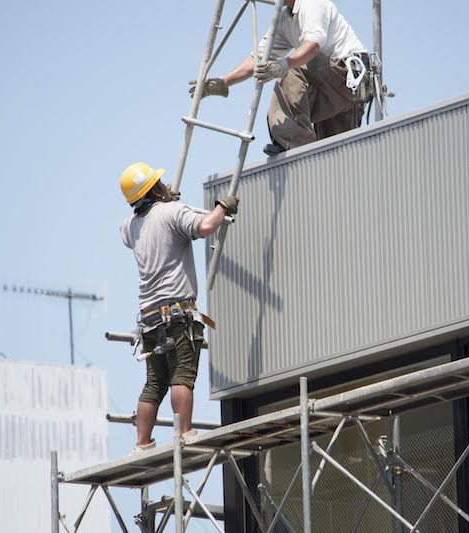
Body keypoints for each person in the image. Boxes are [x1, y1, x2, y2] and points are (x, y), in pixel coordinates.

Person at [119, 161, 238, 452]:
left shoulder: (130, 226)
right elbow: (207, 225)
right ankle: (185, 432)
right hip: (177, 313)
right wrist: (223, 206)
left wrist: (164, 203)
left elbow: (133, 230)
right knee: (182, 374)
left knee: (154, 382)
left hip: (149, 318)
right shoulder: (173, 212)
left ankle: (142, 442)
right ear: (155, 189)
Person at [192, 0, 372, 156]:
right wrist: (225, 82)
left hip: (349, 74)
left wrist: (283, 65)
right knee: (334, 151)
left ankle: (295, 144)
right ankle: (304, 150)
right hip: (330, 83)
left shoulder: (311, 4)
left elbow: (313, 46)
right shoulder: (284, 19)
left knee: (291, 69)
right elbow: (259, 58)